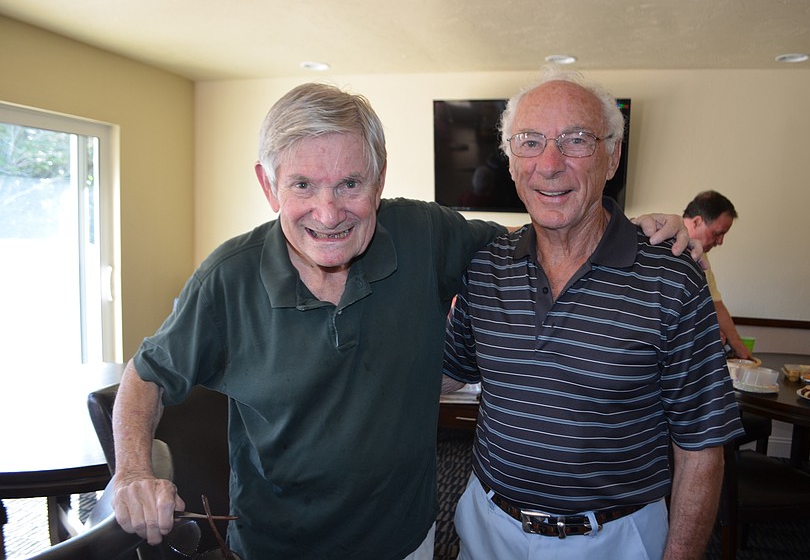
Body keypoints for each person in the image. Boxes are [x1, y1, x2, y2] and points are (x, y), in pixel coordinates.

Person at [110, 82, 695, 559]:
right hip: (275, 545)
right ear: (268, 185)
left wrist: (634, 229)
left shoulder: (425, 235)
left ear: (380, 178)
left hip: (406, 541)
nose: (328, 211)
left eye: (350, 184)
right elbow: (146, 376)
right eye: (302, 185)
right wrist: (133, 471)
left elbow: (547, 239)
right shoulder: (227, 278)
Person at [443, 70, 744, 560]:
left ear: (612, 156)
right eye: (530, 141)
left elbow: (701, 448)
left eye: (576, 140)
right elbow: (446, 376)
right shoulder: (485, 265)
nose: (550, 163)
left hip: (614, 541)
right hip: (487, 528)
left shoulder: (672, 276)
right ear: (512, 161)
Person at [683, 190, 750, 359]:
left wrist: (740, 348)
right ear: (697, 221)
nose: (720, 242)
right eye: (717, 233)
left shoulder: (701, 257)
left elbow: (716, 304)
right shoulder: (661, 244)